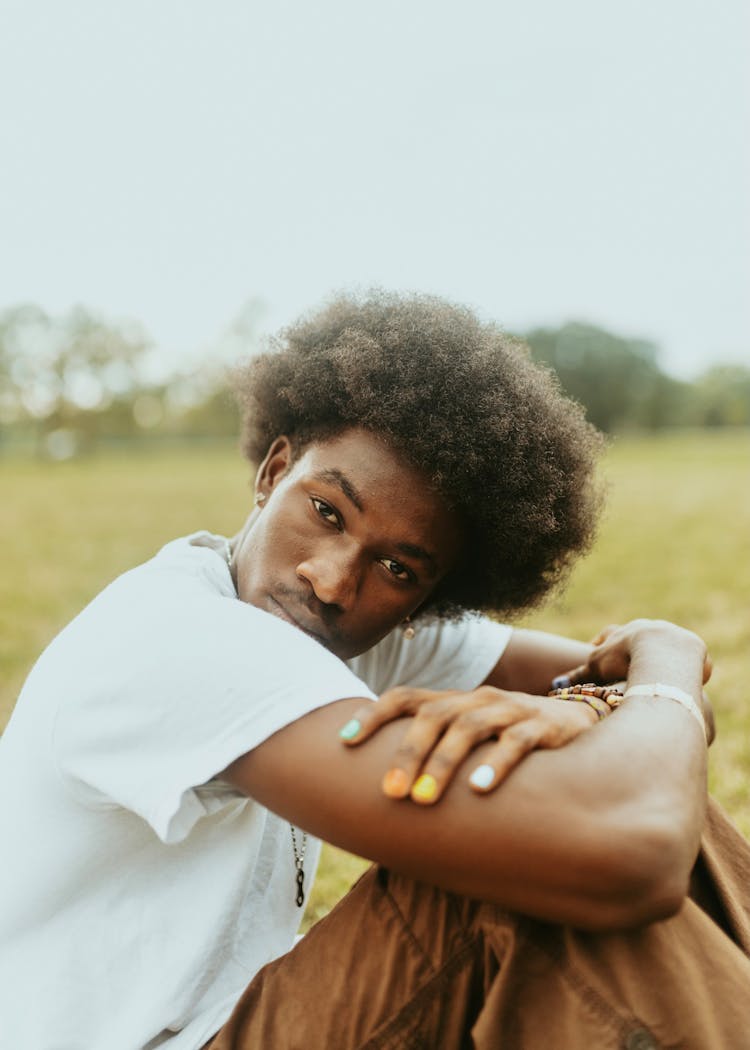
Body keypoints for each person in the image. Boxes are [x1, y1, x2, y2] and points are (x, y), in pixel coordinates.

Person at [1, 291, 749, 1050]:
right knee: (522, 873)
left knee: (624, 805)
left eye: (395, 566)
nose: (332, 580)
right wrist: (674, 655)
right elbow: (632, 852)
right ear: (275, 470)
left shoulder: (351, 633)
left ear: (430, 597)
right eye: (327, 511)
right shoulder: (178, 637)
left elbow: (664, 727)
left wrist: (582, 707)